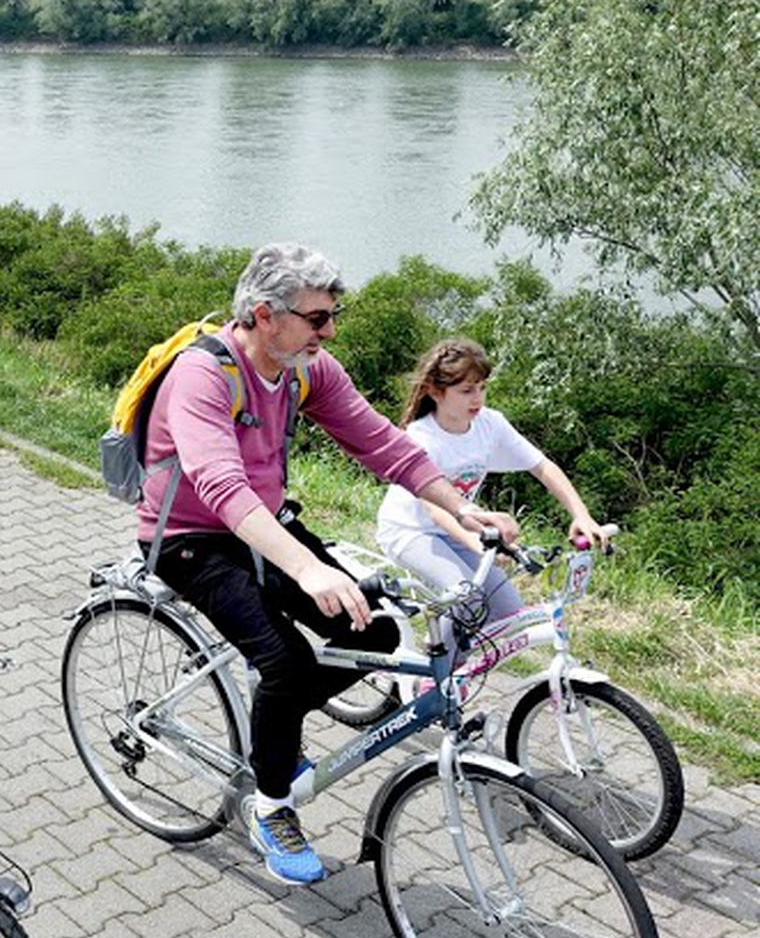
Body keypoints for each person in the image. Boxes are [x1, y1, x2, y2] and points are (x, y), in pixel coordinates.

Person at [136, 243, 520, 887]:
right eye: (318, 317)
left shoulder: (307, 368)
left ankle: (272, 735)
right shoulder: (203, 376)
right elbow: (222, 488)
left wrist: (460, 509)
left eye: (332, 314)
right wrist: (312, 571)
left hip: (267, 527)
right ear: (265, 314)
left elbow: (382, 444)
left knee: (372, 632)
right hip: (190, 537)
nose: (330, 330)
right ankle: (271, 801)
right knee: (285, 661)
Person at [376, 337, 611, 622]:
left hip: (465, 528)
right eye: (466, 390)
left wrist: (581, 516)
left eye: (482, 388)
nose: (478, 398)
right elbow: (434, 509)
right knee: (469, 598)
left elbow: (542, 467)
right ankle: (448, 667)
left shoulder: (490, 424)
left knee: (509, 611)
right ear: (435, 392)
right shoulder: (422, 437)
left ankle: (473, 662)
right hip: (411, 531)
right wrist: (481, 543)